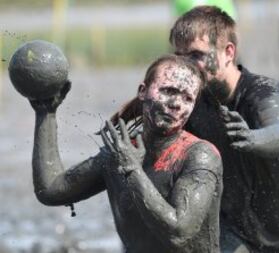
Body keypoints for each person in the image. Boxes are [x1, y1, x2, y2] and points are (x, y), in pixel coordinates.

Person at [168, 5, 279, 253]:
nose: (185, 67)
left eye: (195, 55)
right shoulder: (192, 103)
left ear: (228, 52)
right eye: (179, 57)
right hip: (238, 231)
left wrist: (252, 138)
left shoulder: (264, 93)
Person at [30, 54, 223, 253]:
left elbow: (180, 233)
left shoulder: (200, 156)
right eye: (168, 91)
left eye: (188, 98)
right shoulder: (119, 152)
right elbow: (51, 190)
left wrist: (132, 170)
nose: (177, 103)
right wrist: (45, 113)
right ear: (143, 91)